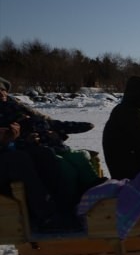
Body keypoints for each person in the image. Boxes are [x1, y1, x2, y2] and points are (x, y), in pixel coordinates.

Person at [0, 77, 98, 229]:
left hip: (13, 150)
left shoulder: (14, 107)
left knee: (44, 154)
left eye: (2, 90)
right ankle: (47, 216)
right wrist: (9, 142)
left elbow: (42, 123)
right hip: (7, 161)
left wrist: (25, 140)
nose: (1, 93)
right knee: (20, 159)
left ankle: (66, 207)